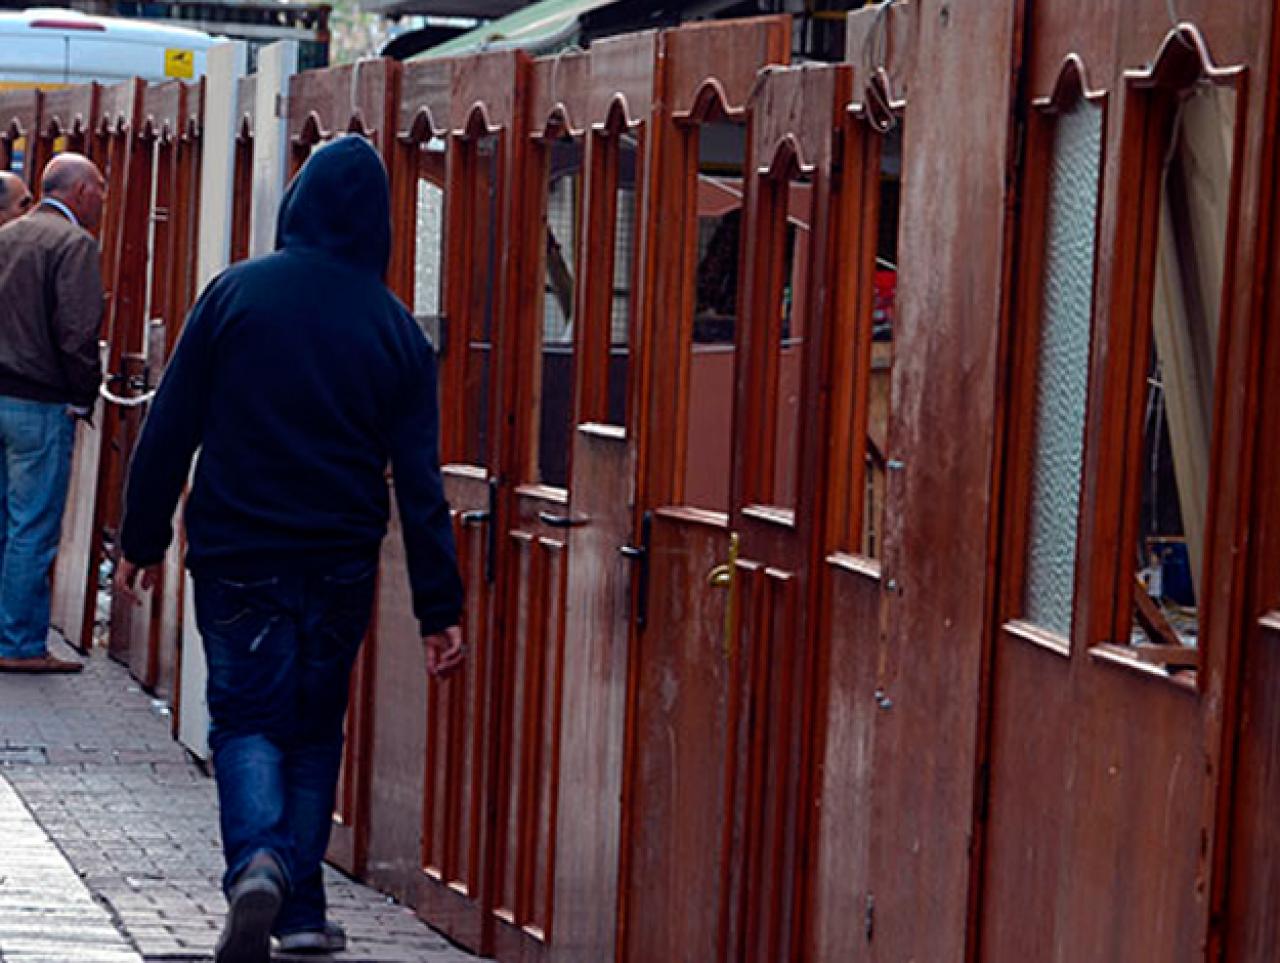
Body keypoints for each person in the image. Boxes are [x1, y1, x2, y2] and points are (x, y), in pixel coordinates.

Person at [115, 135, 465, 963]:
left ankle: (258, 864)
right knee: (314, 726)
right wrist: (439, 607)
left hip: (237, 551)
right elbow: (421, 484)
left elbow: (171, 427)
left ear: (297, 203)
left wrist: (141, 537)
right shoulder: (396, 334)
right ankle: (301, 910)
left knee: (243, 719)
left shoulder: (235, 295)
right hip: (340, 558)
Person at [0, 153, 106, 673]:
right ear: (80, 191)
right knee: (32, 526)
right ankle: (19, 644)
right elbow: (78, 331)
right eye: (100, 187)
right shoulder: (74, 245)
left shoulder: (6, 236)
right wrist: (85, 394)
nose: (103, 198)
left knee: (5, 521)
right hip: (39, 403)